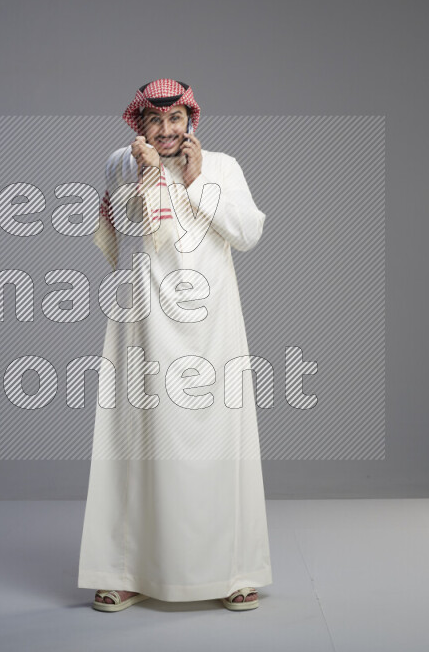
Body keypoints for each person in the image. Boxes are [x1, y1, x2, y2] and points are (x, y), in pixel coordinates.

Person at [78, 79, 272, 612]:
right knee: (135, 441)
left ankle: (232, 569)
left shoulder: (224, 166)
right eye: (154, 122)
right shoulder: (122, 162)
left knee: (217, 440)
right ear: (139, 124)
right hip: (142, 320)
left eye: (175, 121)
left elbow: (247, 233)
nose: (166, 132)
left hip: (211, 324)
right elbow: (128, 224)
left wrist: (196, 180)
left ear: (191, 122)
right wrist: (144, 172)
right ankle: (127, 570)